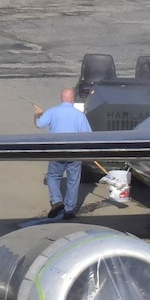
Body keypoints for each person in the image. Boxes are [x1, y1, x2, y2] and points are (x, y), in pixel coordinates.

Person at [30, 87, 92, 219]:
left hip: (57, 151)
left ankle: (57, 201)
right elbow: (88, 135)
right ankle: (69, 210)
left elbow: (38, 125)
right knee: (73, 180)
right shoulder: (79, 115)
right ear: (73, 99)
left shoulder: (52, 111)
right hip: (75, 152)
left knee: (53, 176)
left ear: (61, 98)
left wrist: (38, 113)